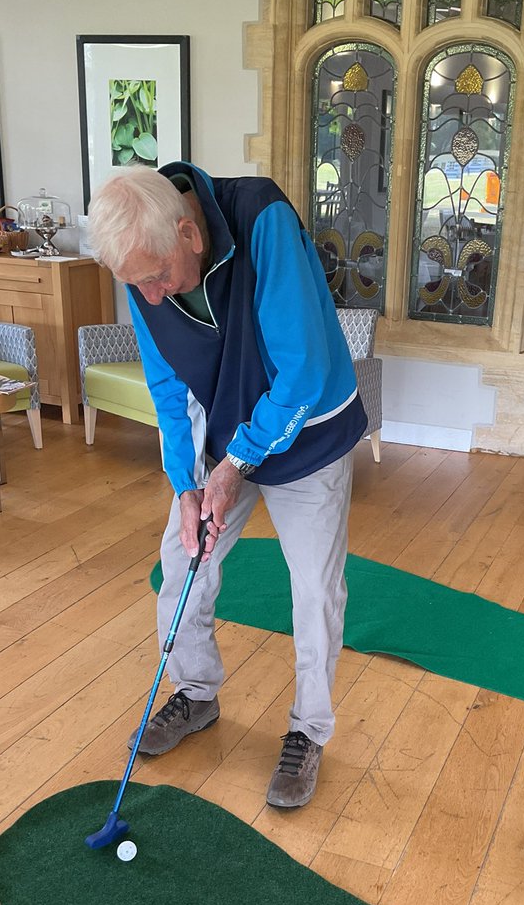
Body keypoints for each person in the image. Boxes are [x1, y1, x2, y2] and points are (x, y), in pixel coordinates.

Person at [87, 163, 367, 808]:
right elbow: (165, 384)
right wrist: (186, 485)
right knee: (182, 557)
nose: (151, 296)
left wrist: (234, 464)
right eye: (136, 285)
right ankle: (194, 693)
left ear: (190, 233)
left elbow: (303, 371)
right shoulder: (144, 269)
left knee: (314, 584)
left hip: (311, 428)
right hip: (227, 434)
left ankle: (307, 731)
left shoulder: (261, 218)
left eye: (157, 277)